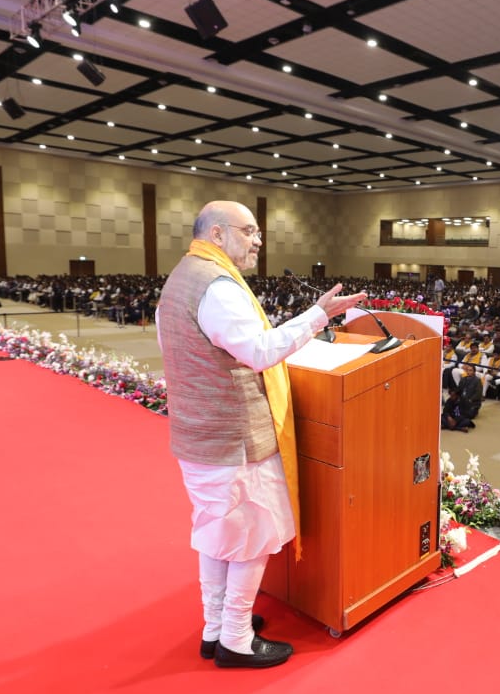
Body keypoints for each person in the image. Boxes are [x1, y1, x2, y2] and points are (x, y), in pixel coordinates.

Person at [157, 200, 367, 669]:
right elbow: (260, 351)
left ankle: (215, 629)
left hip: (199, 436)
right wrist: (318, 315)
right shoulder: (217, 285)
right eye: (248, 231)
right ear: (216, 234)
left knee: (218, 534)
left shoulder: (182, 277)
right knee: (251, 535)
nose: (258, 240)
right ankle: (235, 639)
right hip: (234, 441)